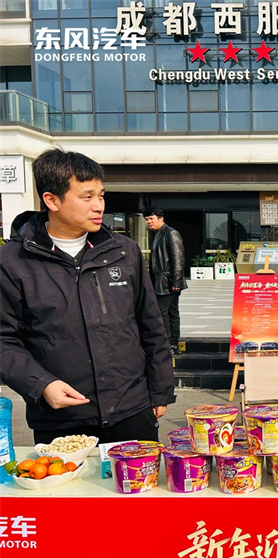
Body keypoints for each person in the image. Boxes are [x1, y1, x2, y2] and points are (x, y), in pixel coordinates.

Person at [0, 148, 174, 444]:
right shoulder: (13, 261)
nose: (99, 206)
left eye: (101, 196)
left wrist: (160, 390)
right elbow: (4, 340)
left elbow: (151, 324)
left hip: (132, 409)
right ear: (52, 200)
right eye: (87, 197)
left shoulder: (123, 251)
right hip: (61, 415)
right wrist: (42, 385)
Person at [143, 207, 187, 355]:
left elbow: (178, 259)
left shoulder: (170, 233)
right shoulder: (157, 234)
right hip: (162, 280)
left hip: (167, 280)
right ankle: (173, 343)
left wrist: (176, 281)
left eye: (151, 218)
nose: (149, 222)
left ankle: (168, 343)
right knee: (171, 312)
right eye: (146, 219)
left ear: (161, 218)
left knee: (163, 312)